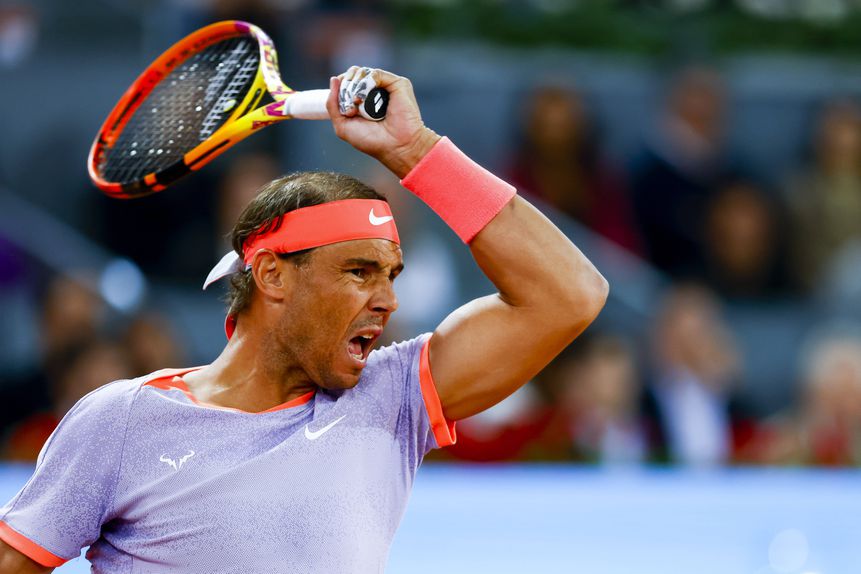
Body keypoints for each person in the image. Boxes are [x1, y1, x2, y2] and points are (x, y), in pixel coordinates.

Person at [0, 67, 608, 573]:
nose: (388, 300)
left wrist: (414, 150)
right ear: (272, 275)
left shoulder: (391, 398)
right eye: (359, 272)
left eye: (391, 275)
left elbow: (571, 294)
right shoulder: (123, 421)